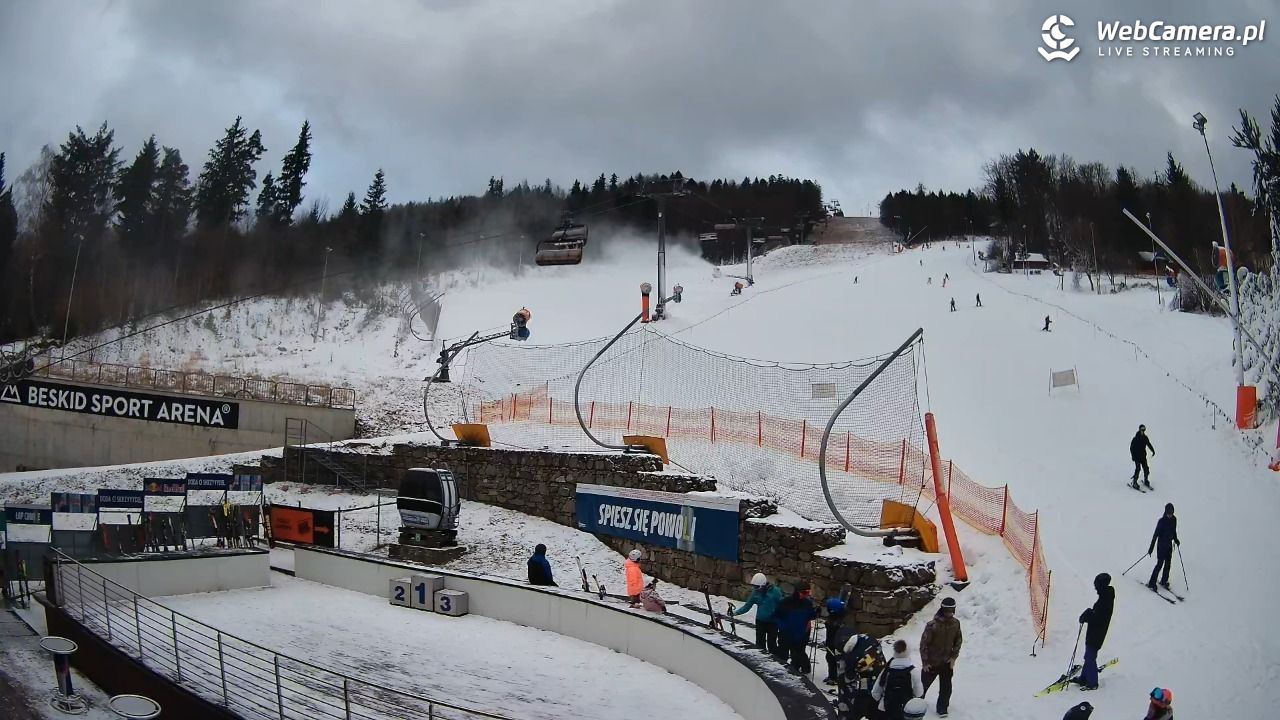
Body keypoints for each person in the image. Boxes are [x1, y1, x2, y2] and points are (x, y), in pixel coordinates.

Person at [920, 596, 962, 716]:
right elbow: (924, 645)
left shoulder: (956, 624)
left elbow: (958, 640)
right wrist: (925, 662)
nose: (949, 613)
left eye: (951, 610)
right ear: (942, 610)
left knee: (946, 688)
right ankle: (915, 704)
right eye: (947, 610)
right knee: (922, 686)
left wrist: (954, 657)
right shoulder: (932, 625)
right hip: (932, 663)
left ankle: (942, 708)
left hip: (946, 662)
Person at [1076, 573, 1114, 690]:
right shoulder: (1105, 596)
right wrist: (1090, 612)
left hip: (1097, 633)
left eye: (1096, 585)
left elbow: (1099, 617)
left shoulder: (1105, 600)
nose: (1095, 587)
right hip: (1095, 632)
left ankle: (1092, 683)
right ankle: (1084, 677)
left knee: (1090, 657)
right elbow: (1097, 614)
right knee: (1088, 656)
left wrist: (1088, 615)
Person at [733, 572, 784, 657]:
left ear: (763, 585)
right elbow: (747, 606)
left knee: (772, 645)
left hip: (773, 623)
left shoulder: (775, 592)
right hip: (760, 622)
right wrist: (736, 613)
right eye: (754, 587)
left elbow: (782, 605)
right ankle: (761, 660)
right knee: (760, 644)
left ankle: (775, 662)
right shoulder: (755, 593)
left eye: (757, 587)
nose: (755, 589)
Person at [836, 633, 885, 720]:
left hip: (869, 677)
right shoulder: (865, 638)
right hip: (881, 669)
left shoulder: (852, 657)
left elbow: (849, 676)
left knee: (863, 698)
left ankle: (859, 713)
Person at [872, 639, 924, 720]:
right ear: (908, 652)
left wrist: (883, 700)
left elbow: (875, 693)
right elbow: (919, 693)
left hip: (886, 710)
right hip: (906, 711)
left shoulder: (886, 671)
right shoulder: (913, 671)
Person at [774, 581, 819, 673]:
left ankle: (799, 672)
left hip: (801, 636)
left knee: (798, 657)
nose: (806, 595)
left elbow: (811, 618)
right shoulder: (786, 602)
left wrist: (816, 613)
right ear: (797, 592)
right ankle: (780, 672)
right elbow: (777, 616)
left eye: (808, 593)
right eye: (804, 593)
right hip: (786, 635)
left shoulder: (807, 604)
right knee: (782, 655)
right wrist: (782, 627)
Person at [822, 598, 855, 685]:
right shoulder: (840, 616)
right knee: (831, 659)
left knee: (833, 659)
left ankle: (835, 677)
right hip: (834, 643)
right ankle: (832, 676)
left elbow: (833, 631)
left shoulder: (836, 621)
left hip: (835, 644)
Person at [1147, 503, 1180, 590]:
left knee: (1168, 564)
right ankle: (1151, 582)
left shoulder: (1174, 520)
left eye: (1171, 513)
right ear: (1165, 512)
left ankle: (1164, 581)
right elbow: (1155, 535)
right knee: (1160, 564)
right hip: (1161, 546)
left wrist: (1176, 539)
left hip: (1169, 545)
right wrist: (1151, 548)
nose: (1170, 515)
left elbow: (1174, 531)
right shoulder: (1161, 521)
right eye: (1169, 513)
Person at [1130, 424, 1156, 489]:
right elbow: (1131, 448)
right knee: (1138, 469)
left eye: (1143, 429)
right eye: (1141, 429)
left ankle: (1146, 480)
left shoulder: (1145, 438)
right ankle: (1135, 482)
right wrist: (1133, 456)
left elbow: (1148, 444)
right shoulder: (1135, 438)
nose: (1142, 431)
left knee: (1146, 468)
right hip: (1137, 457)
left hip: (1143, 456)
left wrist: (1153, 450)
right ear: (1139, 429)